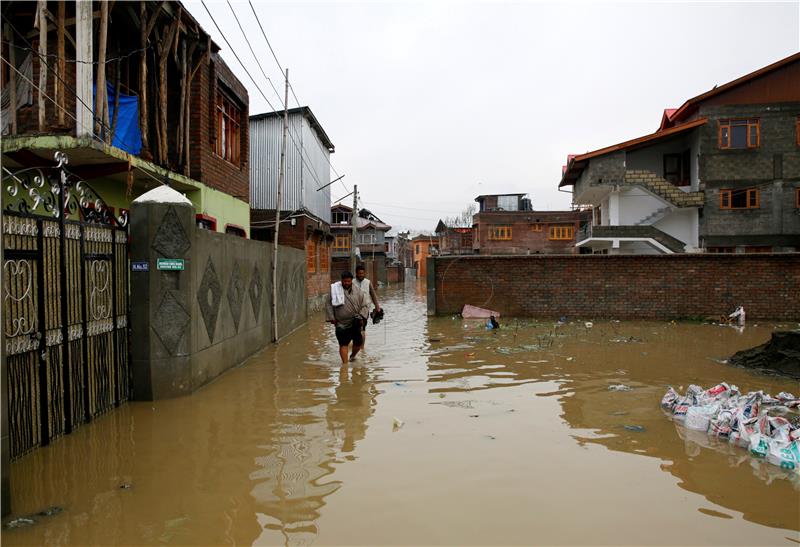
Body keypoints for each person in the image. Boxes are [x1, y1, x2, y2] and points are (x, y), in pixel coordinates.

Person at [326, 271, 369, 364]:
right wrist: (332, 318)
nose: (346, 283)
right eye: (344, 281)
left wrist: (362, 317)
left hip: (355, 321)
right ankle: (344, 366)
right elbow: (329, 304)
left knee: (358, 343)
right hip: (341, 323)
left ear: (351, 281)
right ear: (342, 281)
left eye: (348, 281)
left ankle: (352, 356)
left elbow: (365, 306)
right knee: (343, 344)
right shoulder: (334, 290)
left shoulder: (358, 291)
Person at [355, 264, 381, 346]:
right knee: (355, 329)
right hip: (354, 310)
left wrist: (377, 306)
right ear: (356, 273)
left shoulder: (368, 282)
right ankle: (356, 344)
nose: (361, 275)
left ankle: (362, 347)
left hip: (365, 310)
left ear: (364, 273)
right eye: (359, 273)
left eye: (362, 273)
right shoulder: (352, 282)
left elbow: (373, 295)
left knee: (363, 328)